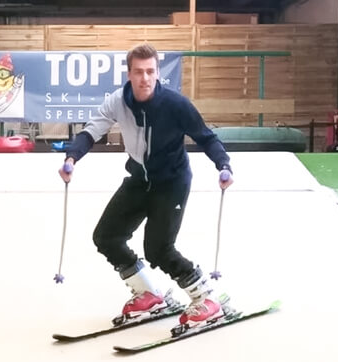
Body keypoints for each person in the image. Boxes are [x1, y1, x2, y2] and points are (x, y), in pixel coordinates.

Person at [58, 43, 235, 328]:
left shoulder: (176, 105)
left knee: (158, 249)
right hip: (140, 180)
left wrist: (223, 165)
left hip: (172, 182)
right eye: (139, 72)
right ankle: (149, 293)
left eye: (151, 71)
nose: (145, 78)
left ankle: (206, 298)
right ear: (129, 74)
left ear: (157, 73)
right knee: (106, 237)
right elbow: (92, 130)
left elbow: (206, 137)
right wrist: (71, 158)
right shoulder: (118, 101)